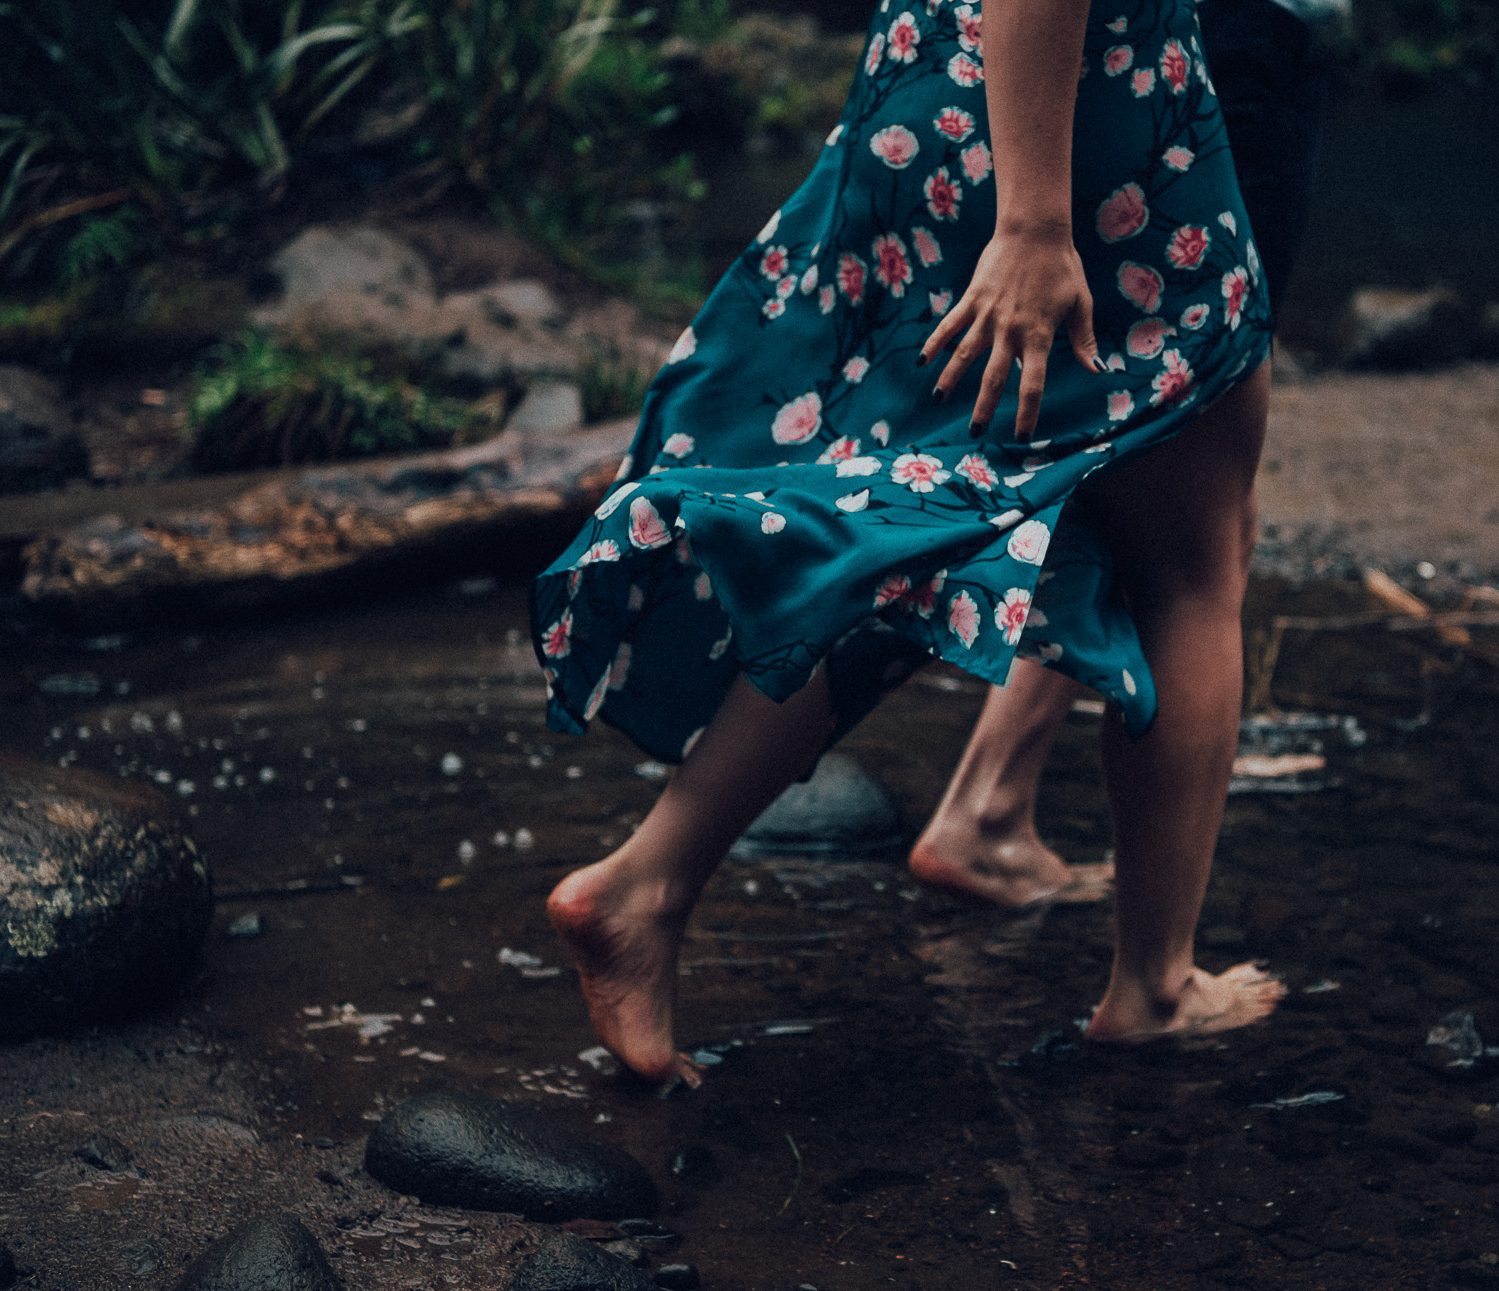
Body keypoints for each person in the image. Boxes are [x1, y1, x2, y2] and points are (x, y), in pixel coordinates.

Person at [533, 0, 1287, 1084]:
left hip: (944, 85)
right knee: (1195, 566)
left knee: (911, 535)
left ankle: (643, 885)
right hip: (1081, 112)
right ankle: (1157, 985)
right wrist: (1033, 223)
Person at [909, 0, 1337, 906]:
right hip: (1217, 46)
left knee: (1127, 467)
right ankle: (1155, 982)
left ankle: (989, 805)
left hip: (1108, 53)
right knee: (1200, 511)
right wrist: (1034, 225)